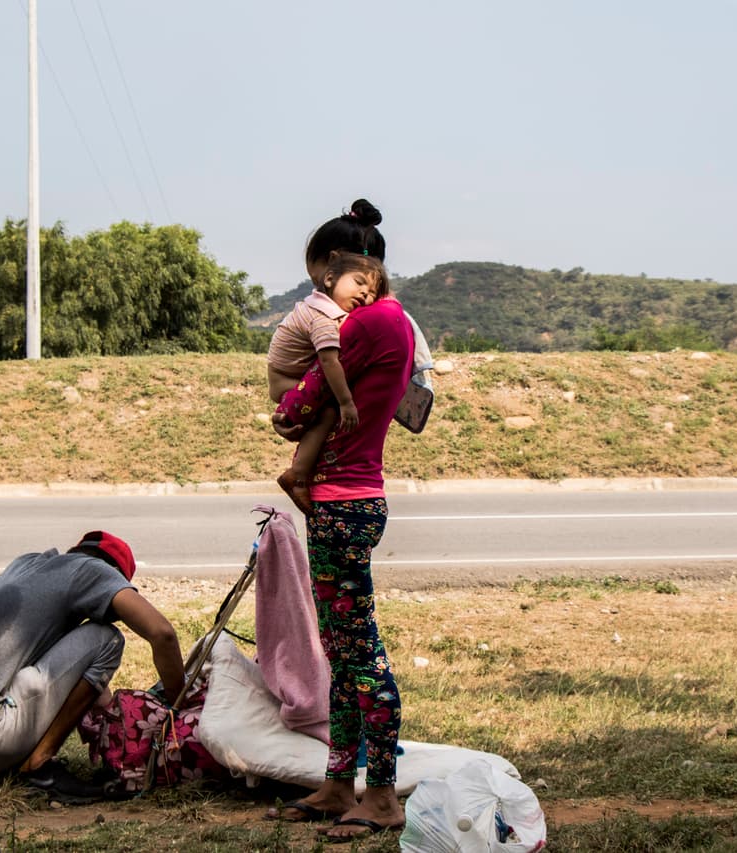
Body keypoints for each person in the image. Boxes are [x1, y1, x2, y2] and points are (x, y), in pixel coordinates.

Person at [264, 201, 413, 842]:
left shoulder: (366, 326)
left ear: (335, 268)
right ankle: (338, 783)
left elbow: (294, 411)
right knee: (341, 650)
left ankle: (378, 794)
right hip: (346, 499)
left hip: (345, 504)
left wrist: (287, 407)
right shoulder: (391, 320)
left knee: (361, 655)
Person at [0, 531, 186, 803]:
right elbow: (162, 633)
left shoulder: (27, 564)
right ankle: (41, 764)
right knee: (107, 638)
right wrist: (180, 706)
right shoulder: (94, 572)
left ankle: (24, 754)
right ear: (115, 574)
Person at [267, 251, 389, 515]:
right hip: (286, 381)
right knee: (330, 412)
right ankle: (297, 477)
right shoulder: (323, 318)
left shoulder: (318, 305)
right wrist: (347, 403)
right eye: (358, 283)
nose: (364, 295)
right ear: (331, 278)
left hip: (286, 376)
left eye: (370, 294)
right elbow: (329, 362)